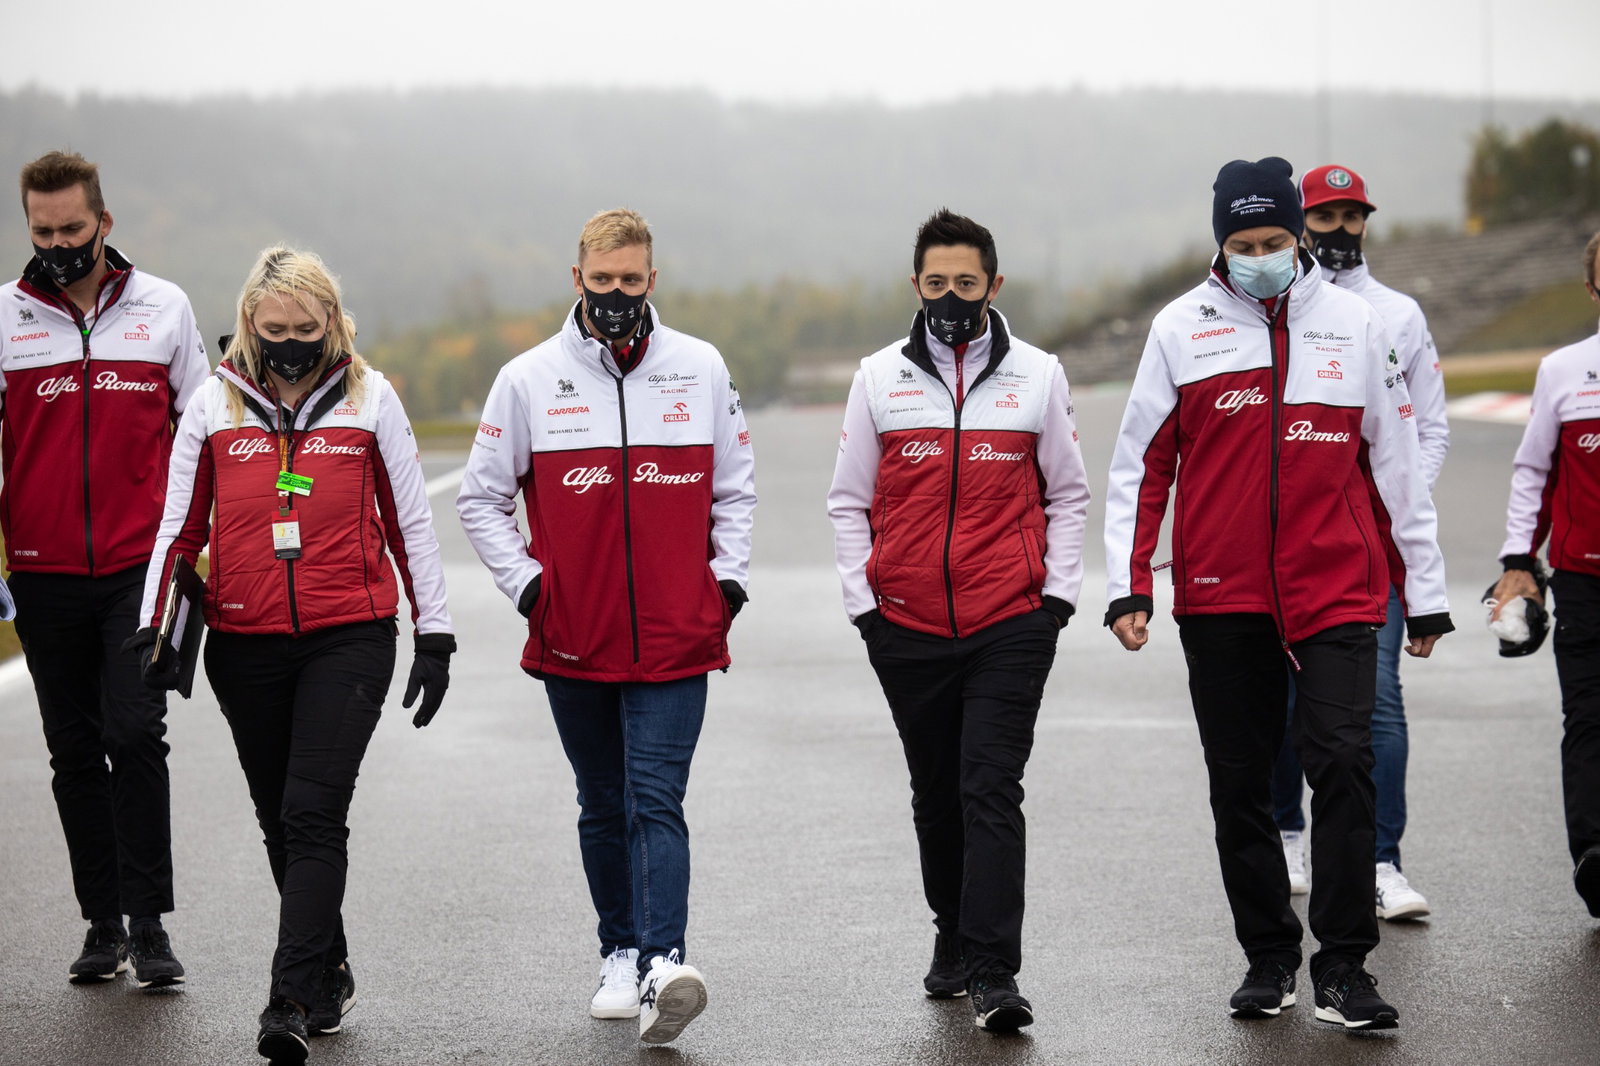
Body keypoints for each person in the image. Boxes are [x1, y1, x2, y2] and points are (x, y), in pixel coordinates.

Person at [1103, 158, 1453, 1031]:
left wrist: (1425, 589)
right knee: (1242, 785)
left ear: (1298, 235)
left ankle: (1343, 966)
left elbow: (1398, 466)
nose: (1259, 256)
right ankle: (1268, 956)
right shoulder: (1179, 328)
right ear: (1220, 242)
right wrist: (1128, 584)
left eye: (1273, 240)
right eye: (1243, 242)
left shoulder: (1357, 324)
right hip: (1221, 595)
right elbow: (1140, 467)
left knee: (1342, 761)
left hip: (1336, 588)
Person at [134, 247, 454, 1065]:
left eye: (305, 328)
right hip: (243, 643)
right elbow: (180, 528)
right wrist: (151, 623)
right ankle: (329, 968)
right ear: (249, 322)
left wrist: (436, 632)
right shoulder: (213, 404)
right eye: (273, 328)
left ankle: (291, 1000)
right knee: (281, 817)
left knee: (313, 813)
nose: (288, 343)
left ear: (331, 322)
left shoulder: (371, 398)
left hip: (351, 635)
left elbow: (412, 523)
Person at [457, 208, 755, 1046]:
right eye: (602, 280)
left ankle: (664, 962)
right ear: (577, 278)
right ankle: (619, 951)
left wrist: (725, 584)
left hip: (676, 631)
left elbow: (735, 487)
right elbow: (480, 498)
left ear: (652, 280)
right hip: (573, 634)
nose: (617, 293)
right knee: (602, 801)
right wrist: (532, 590)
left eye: (631, 280)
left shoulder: (699, 366)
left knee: (657, 798)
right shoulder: (527, 379)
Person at [826, 209, 1091, 1032]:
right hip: (905, 625)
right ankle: (952, 930)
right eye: (936, 282)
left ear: (993, 286)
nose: (951, 296)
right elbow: (847, 501)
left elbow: (1068, 494)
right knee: (938, 792)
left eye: (966, 283)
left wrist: (1056, 600)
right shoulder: (878, 378)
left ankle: (993, 971)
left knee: (990, 788)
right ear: (916, 285)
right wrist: (866, 606)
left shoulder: (1039, 376)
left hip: (1010, 620)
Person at [1, 150, 209, 988]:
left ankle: (149, 923)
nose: (58, 244)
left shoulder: (165, 308)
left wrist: (199, 549)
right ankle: (102, 922)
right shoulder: (6, 317)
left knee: (135, 733)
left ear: (104, 223)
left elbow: (203, 435)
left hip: (140, 568)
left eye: (72, 228)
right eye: (42, 231)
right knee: (74, 750)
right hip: (42, 571)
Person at [1268, 164, 1450, 919]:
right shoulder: (1268, 310)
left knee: (1377, 704)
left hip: (1370, 549)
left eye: (1353, 215)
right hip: (1284, 546)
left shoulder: (1400, 315)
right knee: (1282, 700)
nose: (1341, 228)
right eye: (1325, 215)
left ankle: (1380, 861)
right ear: (1301, 223)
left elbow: (1428, 432)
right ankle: (1288, 835)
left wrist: (1384, 506)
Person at [1489, 229, 1600, 920]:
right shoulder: (1564, 371)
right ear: (1592, 287)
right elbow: (1534, 472)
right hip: (1585, 582)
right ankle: (1595, 857)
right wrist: (1517, 563)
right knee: (1588, 718)